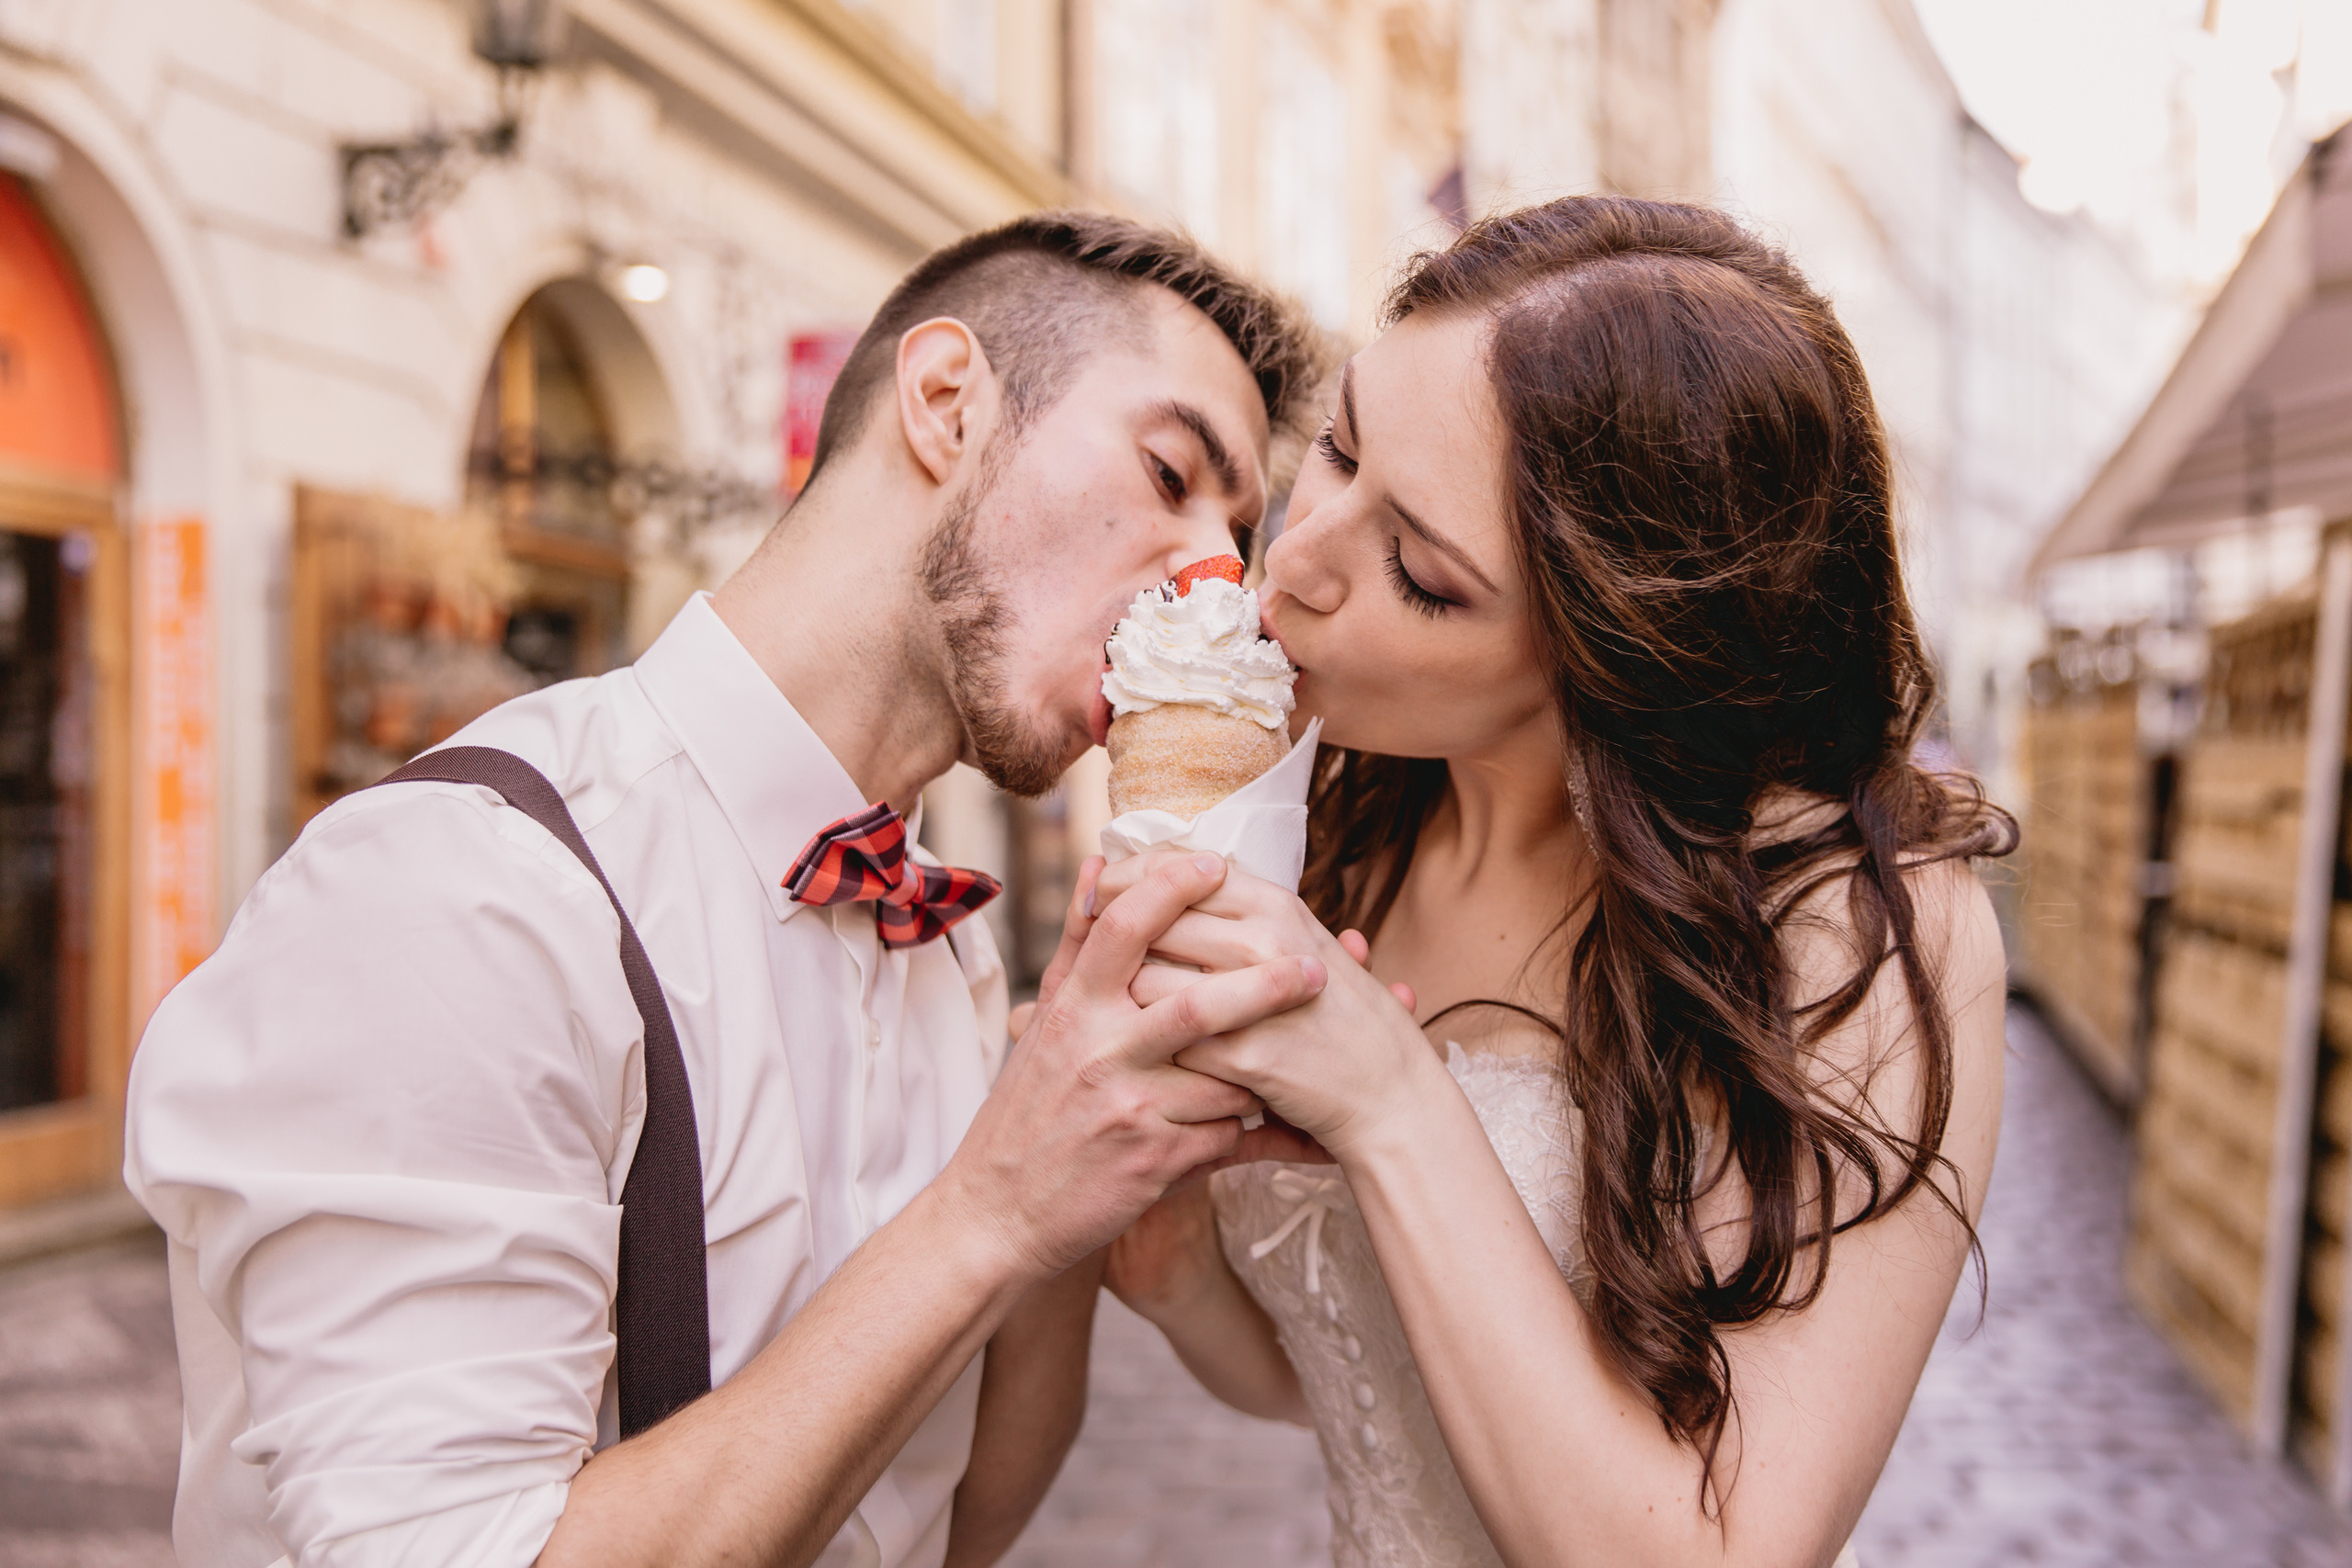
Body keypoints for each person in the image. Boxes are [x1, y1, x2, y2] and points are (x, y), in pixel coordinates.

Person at [123, 211, 1329, 1568]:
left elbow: (952, 1518)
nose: (1214, 585)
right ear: (945, 404)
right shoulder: (462, 888)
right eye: (1172, 474)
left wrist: (1084, 1191)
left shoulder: (947, 951)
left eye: (1236, 532)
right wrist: (992, 1208)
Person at [1061, 197, 2016, 1567]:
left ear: (1627, 647)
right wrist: (1169, 1268)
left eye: (1422, 574)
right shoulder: (1328, 809)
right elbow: (1345, 1381)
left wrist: (1388, 1097)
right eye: (1337, 449)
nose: (1301, 557)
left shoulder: (1850, 922)